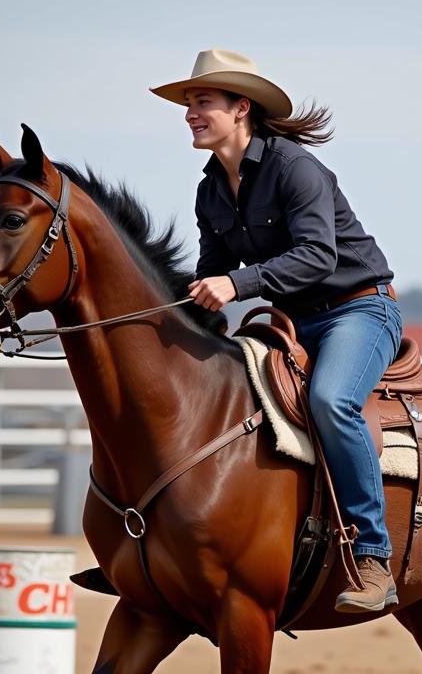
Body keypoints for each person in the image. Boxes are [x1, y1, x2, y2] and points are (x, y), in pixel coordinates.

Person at [151, 50, 404, 614]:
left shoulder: (295, 168)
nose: (190, 113)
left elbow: (318, 255)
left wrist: (236, 287)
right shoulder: (210, 190)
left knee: (332, 401)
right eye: (188, 104)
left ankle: (372, 557)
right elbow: (209, 275)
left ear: (241, 107)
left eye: (202, 102)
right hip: (292, 322)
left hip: (359, 311)